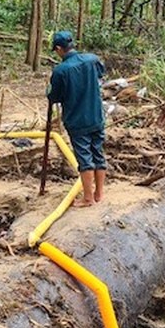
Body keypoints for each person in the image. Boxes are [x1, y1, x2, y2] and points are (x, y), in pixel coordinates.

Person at [47, 30, 107, 207]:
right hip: (96, 116)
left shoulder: (60, 71)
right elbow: (101, 75)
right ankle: (99, 193)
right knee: (98, 153)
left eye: (56, 50)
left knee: (84, 158)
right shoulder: (92, 59)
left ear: (59, 48)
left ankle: (88, 198)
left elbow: (54, 97)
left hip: (77, 120)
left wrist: (49, 92)